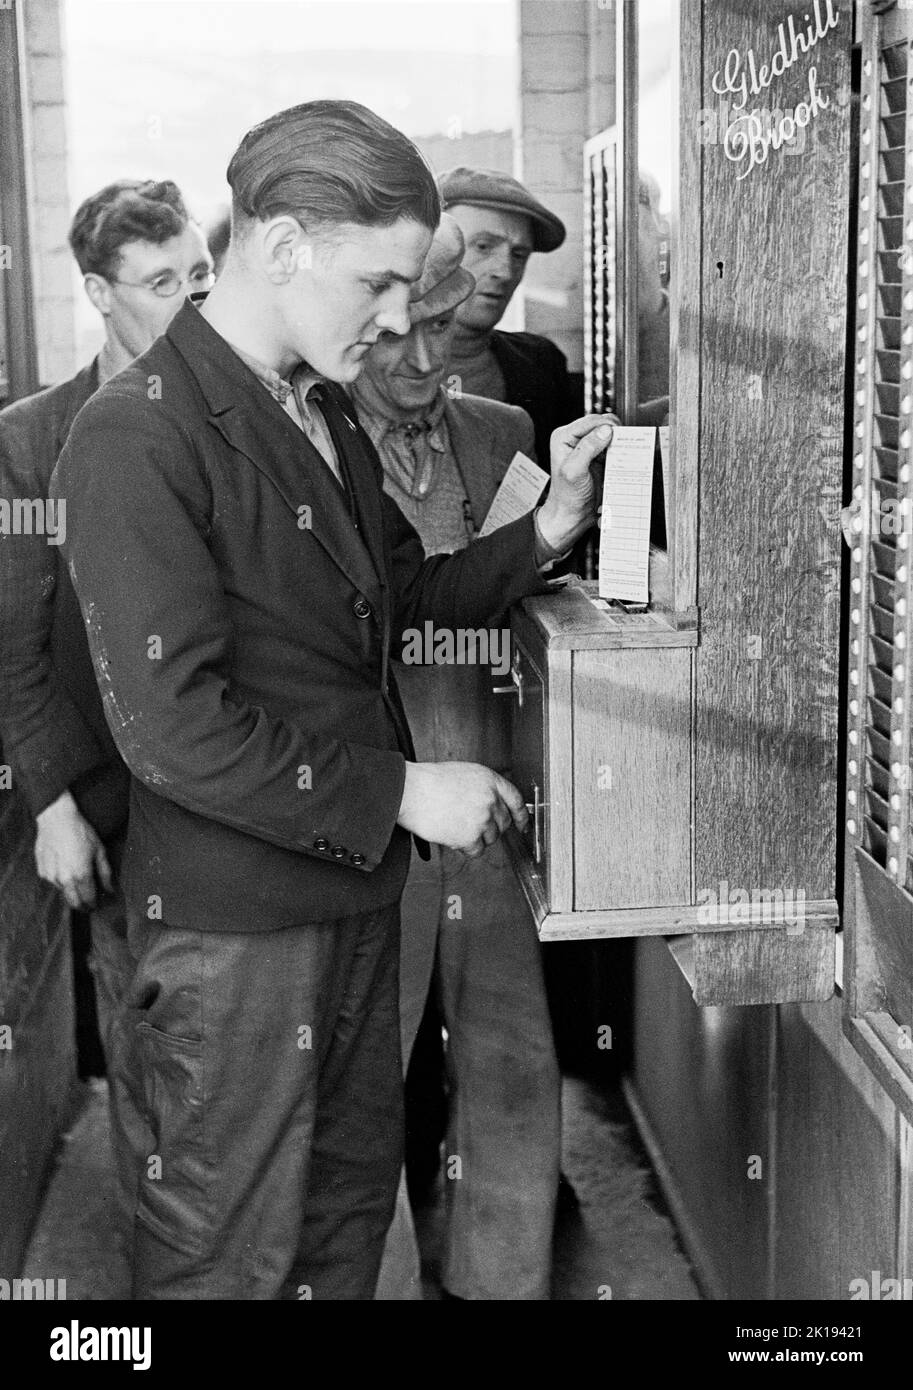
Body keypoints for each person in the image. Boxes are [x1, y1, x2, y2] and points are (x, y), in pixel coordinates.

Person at [50, 99, 612, 1301]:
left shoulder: (317, 411)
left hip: (353, 898)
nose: (409, 318)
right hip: (239, 939)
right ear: (286, 245)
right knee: (227, 1253)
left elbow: (400, 595)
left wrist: (547, 528)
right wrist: (407, 787)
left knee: (340, 1228)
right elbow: (171, 726)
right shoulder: (132, 438)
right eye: (383, 282)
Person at [353, 216, 561, 1301]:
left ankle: (502, 1282)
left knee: (513, 1062)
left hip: (494, 799)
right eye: (404, 335)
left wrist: (569, 528)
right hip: (372, 820)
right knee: (363, 1087)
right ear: (365, 322)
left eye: (446, 331)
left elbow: (537, 604)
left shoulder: (502, 426)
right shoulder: (307, 438)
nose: (427, 363)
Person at [0, 178, 214, 1226]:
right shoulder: (33, 439)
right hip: (112, 801)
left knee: (244, 1059)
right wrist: (50, 806)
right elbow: (14, 640)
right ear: (98, 291)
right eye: (163, 281)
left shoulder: (241, 407)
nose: (191, 301)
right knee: (142, 1041)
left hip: (235, 792)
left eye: (201, 275)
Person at [438, 165, 583, 467]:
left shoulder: (540, 364)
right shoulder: (365, 366)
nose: (504, 271)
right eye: (483, 246)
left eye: (518, 255)